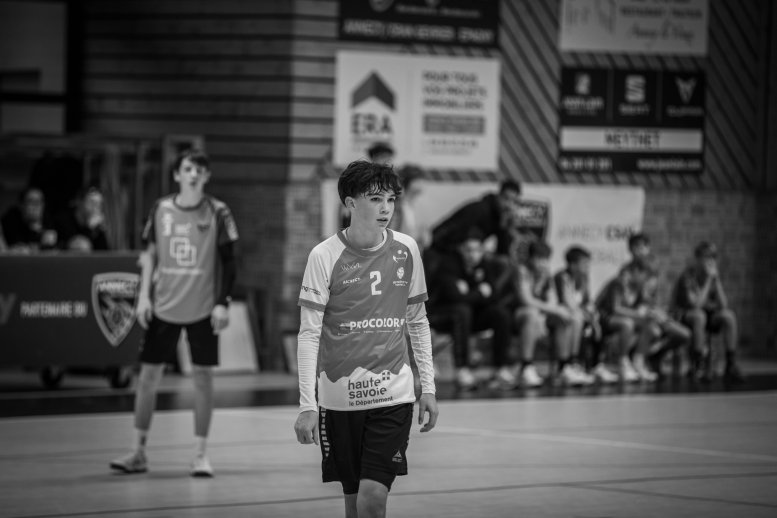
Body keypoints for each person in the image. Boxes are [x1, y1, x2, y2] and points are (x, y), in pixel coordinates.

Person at [294, 160, 438, 518]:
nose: (386, 208)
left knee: (373, 498)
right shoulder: (324, 255)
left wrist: (429, 387)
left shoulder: (406, 249)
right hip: (339, 399)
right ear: (350, 203)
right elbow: (309, 334)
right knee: (354, 502)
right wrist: (307, 405)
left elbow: (418, 321)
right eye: (375, 199)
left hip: (393, 395)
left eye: (390, 199)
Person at [109, 149, 239, 477]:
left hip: (203, 308)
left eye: (200, 170)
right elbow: (149, 256)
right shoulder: (161, 209)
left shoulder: (218, 211)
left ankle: (200, 455)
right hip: (164, 307)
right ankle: (138, 452)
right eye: (188, 168)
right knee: (148, 377)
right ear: (177, 174)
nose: (194, 174)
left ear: (207, 176)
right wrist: (143, 298)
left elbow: (230, 262)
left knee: (203, 378)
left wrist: (222, 302)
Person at [427, 228, 514, 390]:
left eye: (477, 250)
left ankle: (501, 368)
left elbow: (494, 295)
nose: (473, 255)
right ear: (461, 249)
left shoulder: (484, 265)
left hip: (470, 316)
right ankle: (462, 369)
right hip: (440, 316)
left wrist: (469, 293)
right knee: (462, 310)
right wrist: (480, 292)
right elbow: (454, 297)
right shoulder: (448, 265)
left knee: (500, 313)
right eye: (469, 250)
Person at [512, 241, 585, 387]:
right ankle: (526, 367)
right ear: (530, 258)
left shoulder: (546, 274)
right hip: (516, 314)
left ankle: (564, 366)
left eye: (545, 259)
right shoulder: (522, 271)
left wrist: (554, 313)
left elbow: (553, 301)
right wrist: (547, 313)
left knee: (564, 316)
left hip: (538, 314)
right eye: (539, 259)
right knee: (532, 314)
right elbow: (526, 300)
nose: (543, 263)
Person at [672, 241, 743, 382]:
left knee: (729, 316)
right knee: (700, 316)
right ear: (697, 259)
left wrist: (716, 281)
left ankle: (730, 364)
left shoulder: (713, 276)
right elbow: (696, 305)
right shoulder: (687, 276)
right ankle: (698, 363)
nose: (710, 261)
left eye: (713, 257)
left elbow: (724, 305)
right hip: (686, 316)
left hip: (708, 315)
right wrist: (709, 280)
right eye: (706, 257)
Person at [554, 246, 616, 384]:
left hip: (580, 314)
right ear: (572, 265)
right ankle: (569, 364)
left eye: (588, 263)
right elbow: (568, 304)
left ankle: (596, 365)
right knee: (579, 321)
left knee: (600, 320)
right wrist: (589, 318)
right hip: (564, 316)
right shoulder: (562, 277)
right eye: (584, 263)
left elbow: (587, 302)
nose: (588, 266)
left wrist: (593, 314)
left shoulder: (584, 278)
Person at [429, 180, 522, 258]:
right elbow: (448, 228)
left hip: (465, 258)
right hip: (443, 252)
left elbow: (502, 254)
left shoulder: (500, 218)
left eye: (514, 202)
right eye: (506, 198)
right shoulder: (479, 209)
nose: (509, 205)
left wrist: (505, 228)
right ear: (498, 196)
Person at [1, 186, 58, 253]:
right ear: (21, 205)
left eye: (39, 201)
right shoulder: (10, 222)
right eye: (31, 201)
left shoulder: (51, 221)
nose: (36, 206)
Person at [388, 165, 430, 251]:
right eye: (418, 180)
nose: (422, 183)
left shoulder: (417, 206)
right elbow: (391, 233)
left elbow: (425, 236)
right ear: (408, 182)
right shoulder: (397, 206)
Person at [56, 187, 110, 251]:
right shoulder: (64, 220)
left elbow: (104, 252)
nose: (96, 208)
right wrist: (89, 229)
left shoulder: (97, 224)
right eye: (92, 202)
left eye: (99, 204)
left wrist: (102, 232)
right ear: (79, 202)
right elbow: (79, 247)